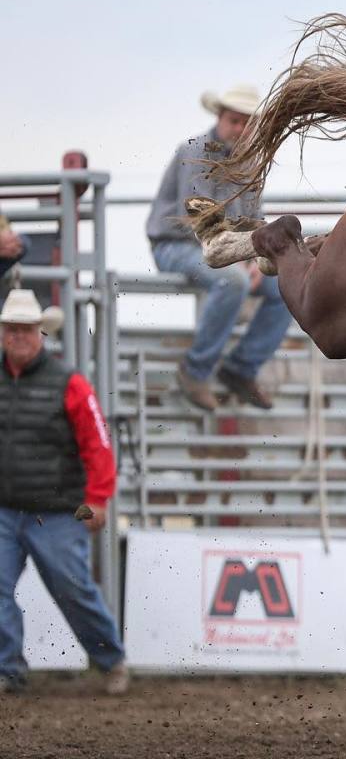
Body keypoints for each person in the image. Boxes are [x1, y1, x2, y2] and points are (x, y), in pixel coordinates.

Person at [0, 289, 128, 695]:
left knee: (71, 586)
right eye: (11, 329)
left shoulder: (70, 384)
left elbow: (98, 443)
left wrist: (98, 497)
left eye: (25, 329)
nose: (18, 336)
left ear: (40, 333)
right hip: (4, 507)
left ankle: (111, 659)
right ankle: (8, 671)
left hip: (57, 510)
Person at [146, 83, 292, 411]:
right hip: (176, 245)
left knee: (284, 286)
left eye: (246, 122)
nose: (239, 129)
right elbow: (199, 214)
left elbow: (254, 218)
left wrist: (257, 257)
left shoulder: (252, 160)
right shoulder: (197, 150)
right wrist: (239, 261)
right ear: (220, 118)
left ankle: (241, 368)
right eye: (233, 120)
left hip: (225, 251)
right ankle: (195, 372)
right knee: (232, 281)